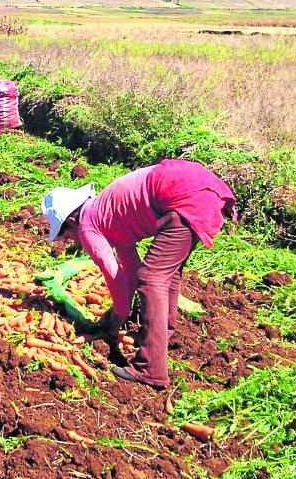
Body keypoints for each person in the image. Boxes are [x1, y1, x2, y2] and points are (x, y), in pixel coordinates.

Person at [40, 159, 236, 389]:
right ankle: (159, 337)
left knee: (153, 278)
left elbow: (114, 276)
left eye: (66, 236)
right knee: (164, 276)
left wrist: (117, 319)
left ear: (71, 221)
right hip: (200, 186)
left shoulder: (88, 225)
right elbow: (131, 273)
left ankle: (150, 369)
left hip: (183, 194)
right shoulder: (109, 216)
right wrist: (121, 309)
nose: (71, 241)